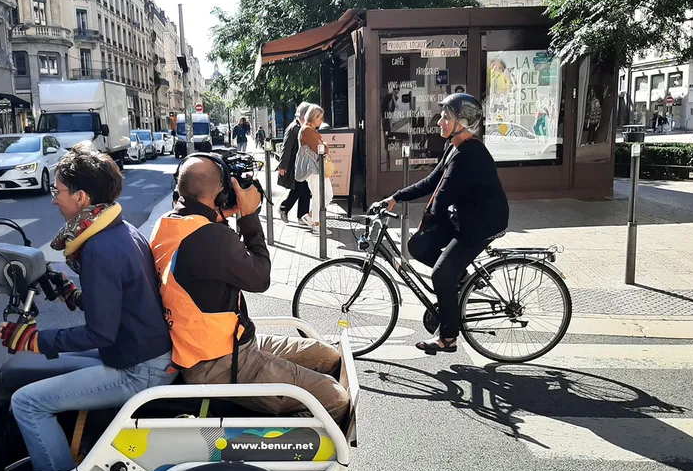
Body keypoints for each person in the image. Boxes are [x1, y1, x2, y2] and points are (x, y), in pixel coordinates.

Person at [0, 142, 176, 471]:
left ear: (81, 198)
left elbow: (100, 333)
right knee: (51, 373)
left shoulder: (99, 248)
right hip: (141, 353)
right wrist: (73, 295)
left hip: (139, 370)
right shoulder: (121, 231)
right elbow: (122, 301)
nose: (54, 199)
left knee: (27, 402)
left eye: (58, 191)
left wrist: (34, 340)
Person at [150, 155, 350, 423]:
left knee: (328, 356)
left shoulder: (167, 224)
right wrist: (249, 216)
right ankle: (286, 445)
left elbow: (203, 247)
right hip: (220, 363)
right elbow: (260, 278)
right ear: (221, 193)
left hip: (228, 344)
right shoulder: (212, 237)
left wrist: (221, 215)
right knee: (336, 399)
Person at [373, 93, 509, 355]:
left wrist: (427, 220)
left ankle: (448, 337)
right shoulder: (454, 147)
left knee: (440, 273)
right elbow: (432, 182)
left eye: (446, 117)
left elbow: (442, 197)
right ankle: (462, 279)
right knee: (418, 246)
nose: (439, 122)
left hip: (482, 223)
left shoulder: (470, 154)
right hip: (465, 216)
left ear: (462, 123)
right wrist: (395, 198)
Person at [298, 105, 333, 234]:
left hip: (317, 167)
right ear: (314, 117)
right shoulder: (307, 130)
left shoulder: (309, 129)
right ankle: (317, 224)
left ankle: (311, 217)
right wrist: (325, 145)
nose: (321, 121)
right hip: (313, 168)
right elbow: (320, 148)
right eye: (320, 117)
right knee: (320, 196)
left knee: (327, 195)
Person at [277, 101, 311, 225]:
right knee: (299, 189)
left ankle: (302, 216)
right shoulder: (293, 128)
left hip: (302, 164)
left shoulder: (301, 127)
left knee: (305, 190)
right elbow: (286, 147)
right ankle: (284, 208)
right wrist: (283, 166)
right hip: (295, 165)